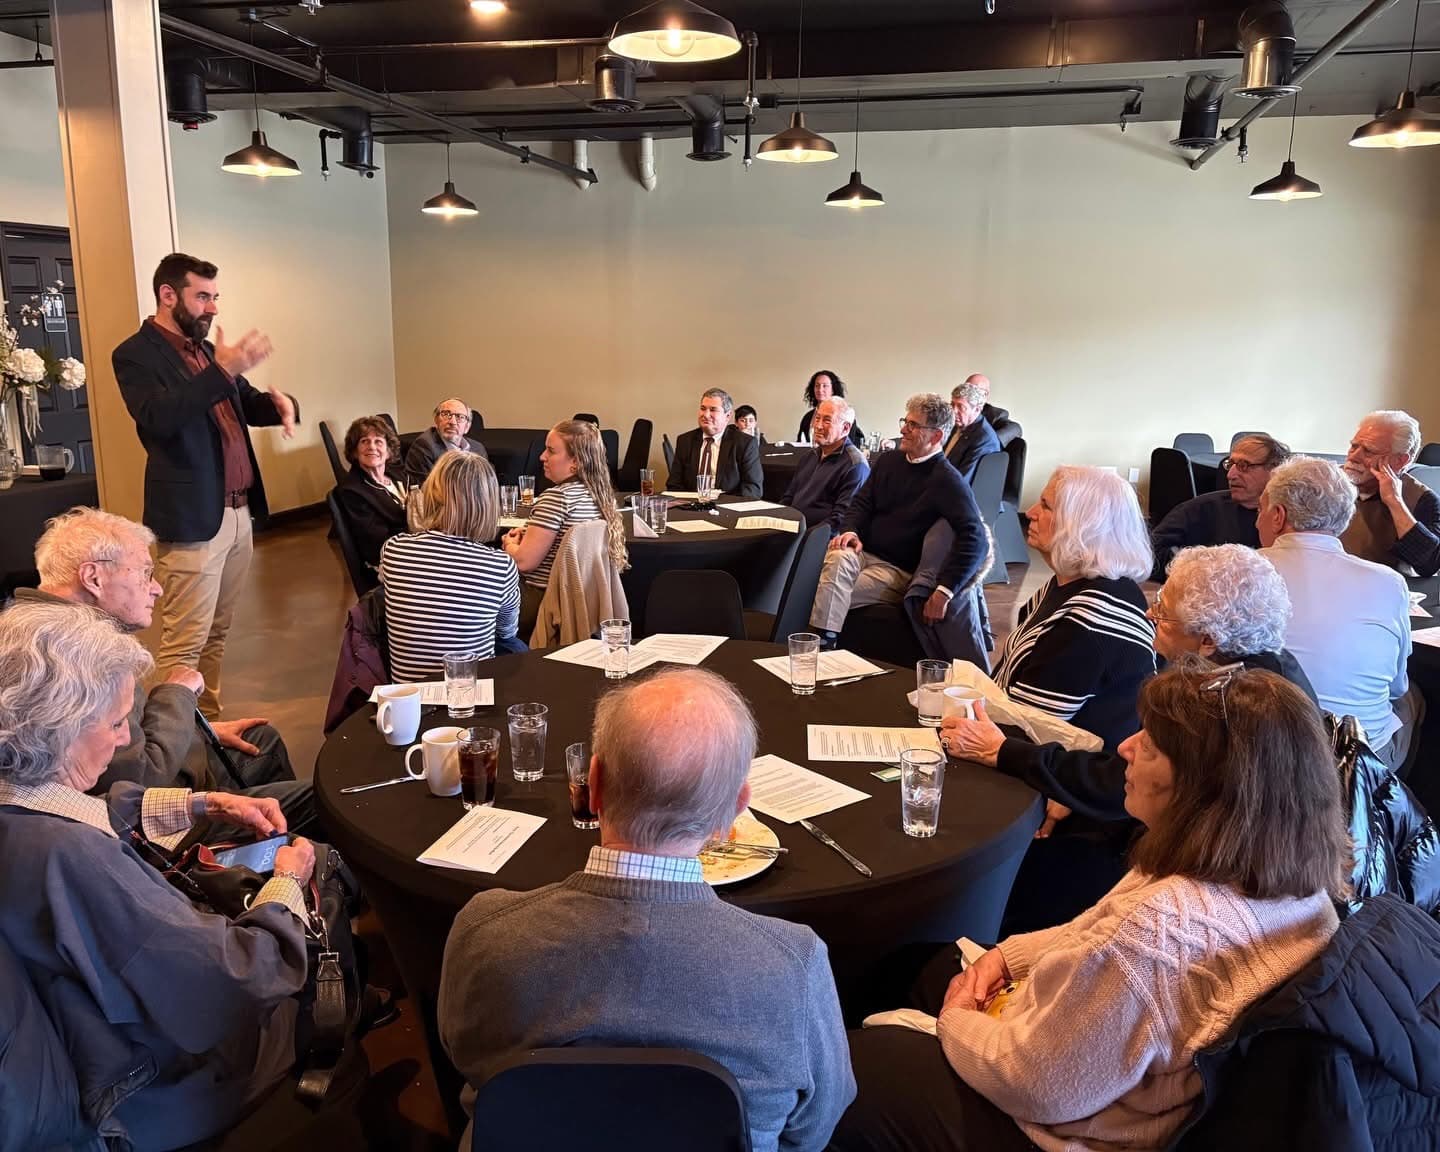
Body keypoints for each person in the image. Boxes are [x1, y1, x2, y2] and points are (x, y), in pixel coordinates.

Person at [831, 662, 1346, 1152]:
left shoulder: (1159, 931)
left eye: (1150, 746)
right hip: (1103, 1081)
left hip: (1069, 1128)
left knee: (844, 1072)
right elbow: (1097, 934)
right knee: (915, 965)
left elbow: (1037, 1085)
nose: (1125, 747)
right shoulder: (1286, 879)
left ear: (1200, 786)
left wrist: (957, 1017)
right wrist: (1007, 958)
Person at [439, 667, 855, 1152]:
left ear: (593, 784)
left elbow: (464, 1058)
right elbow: (813, 1131)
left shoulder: (483, 933)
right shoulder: (795, 967)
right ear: (734, 810)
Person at [0, 603, 318, 1149]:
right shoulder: (71, 857)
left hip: (95, 1045)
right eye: (115, 723)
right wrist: (287, 886)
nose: (124, 741)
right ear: (61, 731)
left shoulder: (20, 806)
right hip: (151, 1086)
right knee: (319, 900)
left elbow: (86, 808)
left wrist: (202, 803)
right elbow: (236, 979)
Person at [943, 544, 1316, 828]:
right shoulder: (1273, 667)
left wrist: (1002, 750)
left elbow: (1118, 779)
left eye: (1164, 612)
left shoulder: (1218, 702)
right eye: (1158, 599)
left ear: (1208, 640)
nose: (1150, 613)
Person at [10, 507, 317, 834]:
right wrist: (176, 694)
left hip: (143, 794)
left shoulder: (35, 625)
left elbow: (129, 739)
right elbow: (138, 781)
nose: (156, 588)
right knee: (319, 800)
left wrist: (195, 730)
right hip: (144, 824)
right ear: (94, 578)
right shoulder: (75, 654)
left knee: (261, 740)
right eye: (145, 573)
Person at [113, 252, 299, 719]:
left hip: (237, 514)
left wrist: (281, 406)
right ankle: (171, 739)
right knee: (184, 643)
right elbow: (160, 417)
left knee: (217, 633)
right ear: (168, 295)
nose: (212, 307)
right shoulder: (135, 355)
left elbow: (246, 403)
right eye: (202, 297)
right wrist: (222, 371)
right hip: (192, 520)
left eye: (215, 297)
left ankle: (208, 727)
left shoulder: (207, 352)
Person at [1259, 456, 1416, 771]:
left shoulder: (1237, 571)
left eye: (1260, 510)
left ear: (1278, 516)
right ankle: (1393, 796)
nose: (1256, 521)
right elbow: (1396, 686)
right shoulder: (1389, 582)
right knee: (1413, 699)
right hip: (1357, 760)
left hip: (1263, 754)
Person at [992, 465, 1155, 750]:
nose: (1031, 513)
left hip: (1067, 768)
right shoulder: (1071, 583)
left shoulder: (1091, 617)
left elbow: (1030, 729)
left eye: (1046, 506)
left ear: (1083, 525)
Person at [809, 394, 988, 648]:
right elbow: (860, 503)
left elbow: (977, 539)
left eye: (913, 425)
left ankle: (820, 647)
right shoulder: (889, 461)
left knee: (821, 589)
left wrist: (945, 590)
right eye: (905, 421)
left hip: (895, 570)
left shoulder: (947, 480)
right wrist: (851, 531)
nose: (903, 429)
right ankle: (824, 645)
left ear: (936, 436)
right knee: (836, 560)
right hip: (861, 552)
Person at [381, 451, 521, 681]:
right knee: (514, 645)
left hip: (407, 691)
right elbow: (506, 630)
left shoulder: (393, 549)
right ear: (487, 505)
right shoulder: (501, 565)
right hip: (470, 690)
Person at [503, 420, 628, 637]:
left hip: (539, 600)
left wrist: (509, 545)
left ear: (576, 462)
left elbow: (524, 562)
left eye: (551, 451)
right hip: (578, 600)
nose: (542, 457)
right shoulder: (601, 497)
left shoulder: (557, 498)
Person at [1150, 433, 1291, 579]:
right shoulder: (1200, 509)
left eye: (1243, 466)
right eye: (1230, 465)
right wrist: (1205, 567)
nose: (1230, 475)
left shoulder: (1293, 517)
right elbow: (1151, 554)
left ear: (1275, 471)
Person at [1339, 409, 1440, 577]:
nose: (1354, 457)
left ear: (1400, 460)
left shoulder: (1421, 499)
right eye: (1354, 446)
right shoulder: (1328, 483)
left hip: (1381, 588)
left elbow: (1428, 565)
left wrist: (1395, 501)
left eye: (1369, 451)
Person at [782, 397, 870, 536]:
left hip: (817, 540)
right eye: (817, 418)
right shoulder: (809, 456)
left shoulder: (855, 466)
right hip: (790, 531)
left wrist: (805, 538)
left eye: (827, 420)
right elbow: (788, 498)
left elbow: (840, 520)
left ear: (845, 428)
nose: (818, 426)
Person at [336, 415, 411, 569]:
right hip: (391, 560)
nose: (371, 447)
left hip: (415, 545)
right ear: (355, 451)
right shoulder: (352, 490)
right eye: (364, 441)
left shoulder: (400, 475)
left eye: (378, 441)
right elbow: (376, 543)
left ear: (388, 451)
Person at [667, 388, 763, 498]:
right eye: (703, 409)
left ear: (727, 416)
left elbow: (753, 489)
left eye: (713, 410)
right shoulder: (685, 441)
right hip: (691, 505)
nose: (706, 415)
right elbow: (674, 485)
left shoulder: (745, 443)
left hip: (727, 505)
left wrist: (721, 503)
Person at [404, 397, 489, 485]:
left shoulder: (478, 448)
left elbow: (488, 483)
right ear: (436, 421)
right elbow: (429, 489)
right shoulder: (425, 446)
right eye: (446, 414)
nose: (452, 422)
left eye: (460, 417)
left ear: (467, 426)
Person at [941, 380, 1001, 485]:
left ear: (977, 409)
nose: (954, 411)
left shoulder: (984, 439)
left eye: (961, 407)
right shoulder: (955, 425)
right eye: (952, 404)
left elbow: (962, 482)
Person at [798, 369, 865, 446]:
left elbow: (847, 445)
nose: (820, 389)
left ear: (833, 390)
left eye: (825, 386)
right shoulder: (807, 417)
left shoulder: (844, 416)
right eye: (817, 386)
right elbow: (800, 442)